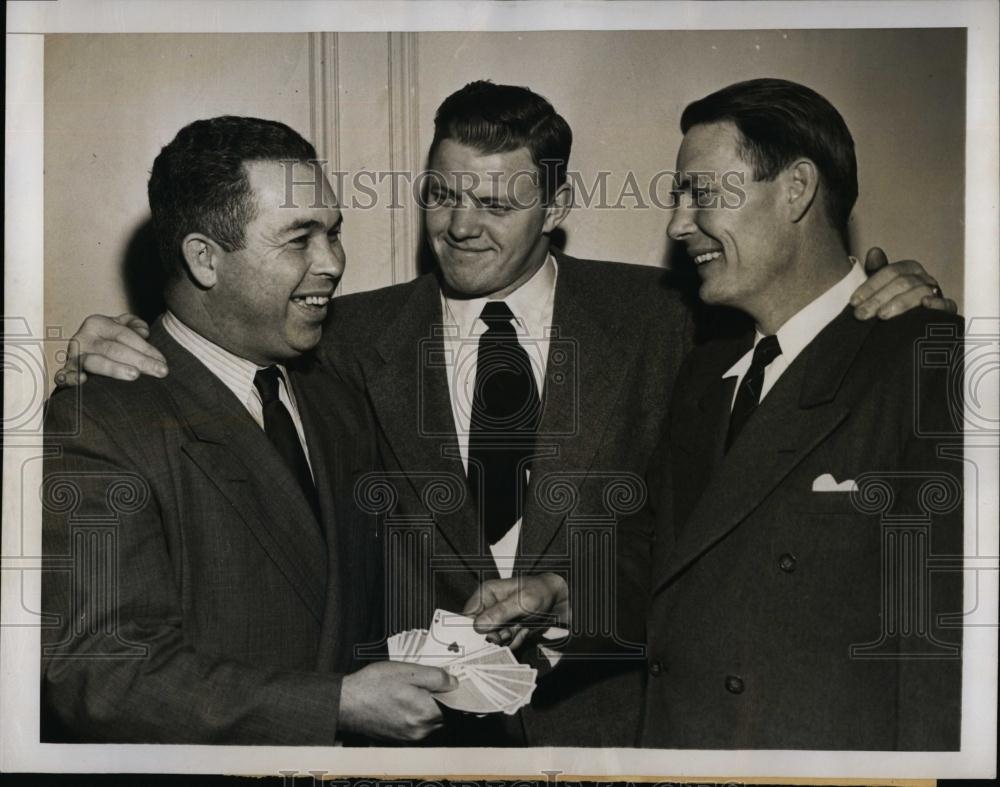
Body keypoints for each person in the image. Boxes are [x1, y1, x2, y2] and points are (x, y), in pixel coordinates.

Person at [53, 82, 954, 747]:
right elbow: (214, 355)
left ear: (557, 206)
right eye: (443, 195)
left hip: (618, 742)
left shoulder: (671, 319)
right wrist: (113, 341)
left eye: (498, 201)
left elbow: (801, 329)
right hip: (404, 748)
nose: (461, 225)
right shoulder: (336, 338)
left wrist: (890, 287)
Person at [465, 78, 964, 750]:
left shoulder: (929, 363)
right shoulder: (704, 374)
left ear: (797, 189)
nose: (676, 224)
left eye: (701, 193)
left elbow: (950, 661)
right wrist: (564, 597)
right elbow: (671, 568)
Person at [41, 116, 456, 745]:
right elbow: (102, 674)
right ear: (204, 258)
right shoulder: (100, 420)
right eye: (299, 240)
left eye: (334, 232)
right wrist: (333, 705)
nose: (334, 262)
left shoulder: (337, 389)